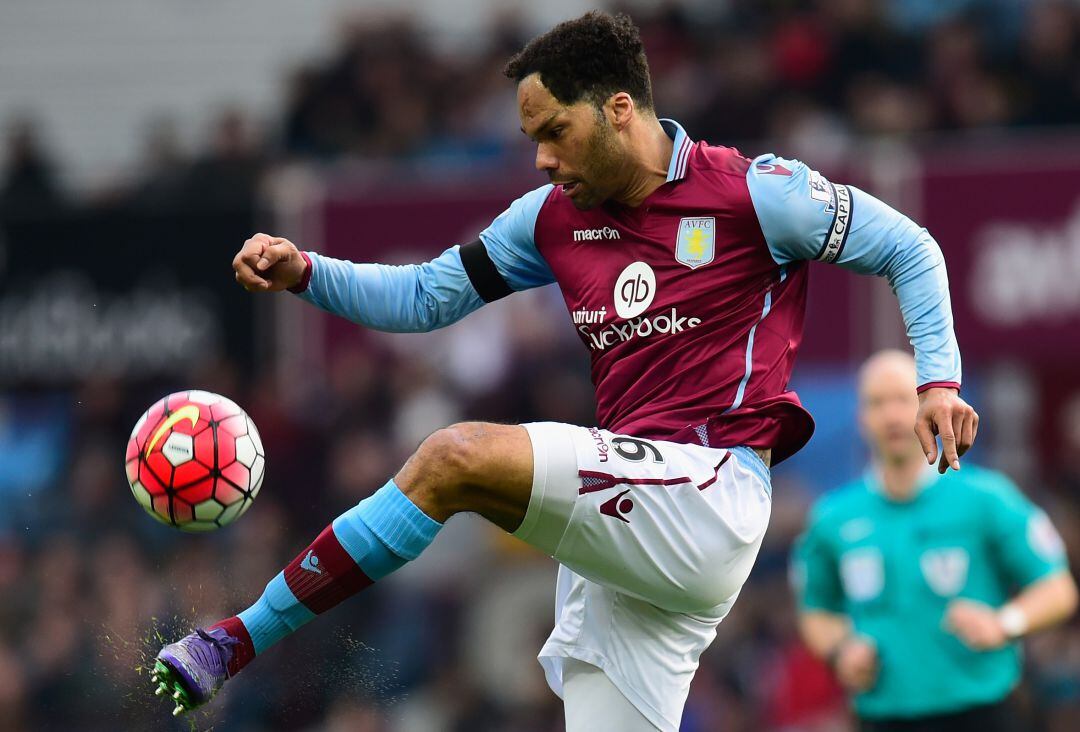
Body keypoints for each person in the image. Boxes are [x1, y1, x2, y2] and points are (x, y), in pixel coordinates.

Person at [150, 13, 978, 731]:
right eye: (531, 140)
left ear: (619, 109)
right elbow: (423, 298)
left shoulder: (754, 194)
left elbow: (911, 246)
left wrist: (938, 379)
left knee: (454, 458)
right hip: (626, 532)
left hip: (711, 493)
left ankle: (237, 637)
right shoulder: (548, 220)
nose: (542, 159)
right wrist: (307, 271)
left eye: (554, 132)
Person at [792, 350, 1077, 732]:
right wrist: (841, 651)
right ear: (861, 417)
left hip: (982, 712)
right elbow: (817, 609)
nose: (892, 415)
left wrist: (1004, 622)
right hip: (882, 717)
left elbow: (1057, 588)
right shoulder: (832, 518)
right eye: (878, 403)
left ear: (926, 406)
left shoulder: (986, 499)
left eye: (903, 400)